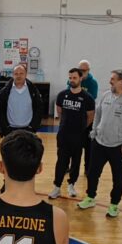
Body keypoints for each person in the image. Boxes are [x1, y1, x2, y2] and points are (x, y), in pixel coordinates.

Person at [77, 69, 122, 218]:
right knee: (92, 173)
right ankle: (90, 197)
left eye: (113, 79)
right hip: (99, 143)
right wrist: (94, 132)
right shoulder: (106, 95)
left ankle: (114, 204)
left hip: (117, 146)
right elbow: (98, 115)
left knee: (117, 178)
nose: (109, 81)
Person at [49, 68, 94, 200]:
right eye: (70, 78)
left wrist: (80, 128)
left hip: (79, 136)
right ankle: (57, 187)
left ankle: (71, 184)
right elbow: (60, 112)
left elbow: (90, 116)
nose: (72, 80)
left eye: (74, 78)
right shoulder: (62, 95)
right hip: (63, 135)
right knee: (61, 161)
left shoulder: (87, 98)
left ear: (80, 78)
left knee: (76, 161)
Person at [0, 64, 44, 137]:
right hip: (10, 130)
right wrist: (5, 127)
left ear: (26, 74)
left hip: (28, 130)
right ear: (12, 75)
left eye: (21, 73)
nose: (19, 76)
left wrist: (33, 127)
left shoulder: (33, 90)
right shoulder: (5, 91)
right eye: (16, 74)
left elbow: (39, 108)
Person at [75, 60, 99, 172]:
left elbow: (91, 98)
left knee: (88, 146)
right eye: (80, 70)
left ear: (88, 70)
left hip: (88, 117)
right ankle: (71, 167)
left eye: (84, 70)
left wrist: (79, 96)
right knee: (73, 145)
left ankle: (87, 168)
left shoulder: (93, 83)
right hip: (75, 116)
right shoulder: (73, 80)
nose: (82, 72)